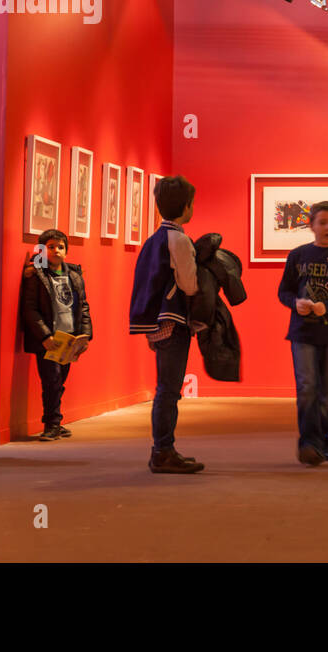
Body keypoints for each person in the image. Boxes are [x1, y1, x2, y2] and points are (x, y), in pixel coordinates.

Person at [130, 175, 204, 473]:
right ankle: (162, 449)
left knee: (166, 388)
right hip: (174, 321)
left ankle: (163, 448)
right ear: (186, 207)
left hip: (156, 323)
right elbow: (188, 284)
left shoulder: (153, 240)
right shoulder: (180, 240)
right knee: (169, 391)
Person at [278, 200, 328, 466]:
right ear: (311, 225)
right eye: (323, 223)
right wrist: (295, 303)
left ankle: (323, 440)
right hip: (302, 332)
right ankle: (308, 443)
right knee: (307, 387)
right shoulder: (299, 255)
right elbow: (284, 291)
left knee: (327, 393)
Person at [18, 229, 92, 440]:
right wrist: (44, 336)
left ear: (67, 251)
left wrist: (85, 335)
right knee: (51, 380)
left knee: (60, 380)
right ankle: (52, 423)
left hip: (69, 338)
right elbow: (30, 309)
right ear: (42, 250)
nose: (56, 251)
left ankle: (56, 421)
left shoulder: (74, 276)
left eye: (60, 247)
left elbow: (84, 306)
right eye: (50, 247)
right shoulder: (37, 276)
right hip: (50, 339)